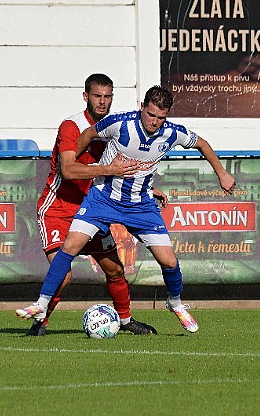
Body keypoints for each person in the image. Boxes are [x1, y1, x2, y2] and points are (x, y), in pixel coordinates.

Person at [17, 85, 236, 332]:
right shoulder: (119, 124)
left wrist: (222, 173)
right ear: (142, 108)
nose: (155, 122)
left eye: (161, 118)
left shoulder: (172, 133)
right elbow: (89, 134)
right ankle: (41, 303)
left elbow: (202, 144)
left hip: (140, 205)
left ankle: (174, 303)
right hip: (102, 200)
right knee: (69, 248)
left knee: (169, 262)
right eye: (151, 115)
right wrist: (73, 159)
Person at [20, 73, 158, 336]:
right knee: (64, 274)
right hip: (58, 209)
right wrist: (110, 169)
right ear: (86, 97)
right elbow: (69, 170)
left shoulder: (113, 128)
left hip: (92, 210)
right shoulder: (71, 126)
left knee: (115, 269)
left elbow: (124, 168)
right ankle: (40, 323)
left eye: (107, 96)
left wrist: (150, 189)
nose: (102, 102)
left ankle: (126, 321)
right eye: (97, 96)